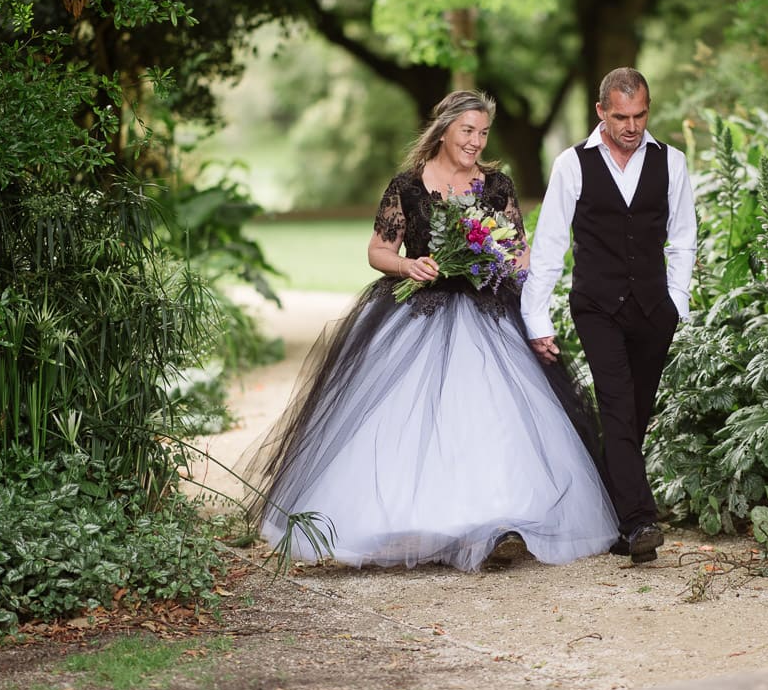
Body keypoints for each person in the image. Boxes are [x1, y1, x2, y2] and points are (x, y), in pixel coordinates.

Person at [243, 90, 619, 571]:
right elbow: (377, 251)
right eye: (468, 131)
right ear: (443, 130)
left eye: (483, 133)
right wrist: (408, 266)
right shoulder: (407, 187)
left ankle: (496, 522)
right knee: (403, 422)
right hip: (417, 314)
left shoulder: (497, 187)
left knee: (492, 420)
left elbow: (521, 251)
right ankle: (410, 523)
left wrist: (503, 262)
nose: (475, 142)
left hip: (486, 315)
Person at [521, 68, 697, 564]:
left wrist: (675, 301)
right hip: (596, 306)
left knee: (636, 411)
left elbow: (683, 236)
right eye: (621, 116)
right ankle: (640, 521)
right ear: (601, 112)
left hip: (654, 308)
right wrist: (537, 319)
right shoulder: (572, 165)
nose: (632, 126)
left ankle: (611, 516)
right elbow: (551, 246)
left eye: (640, 114)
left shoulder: (672, 162)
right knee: (618, 405)